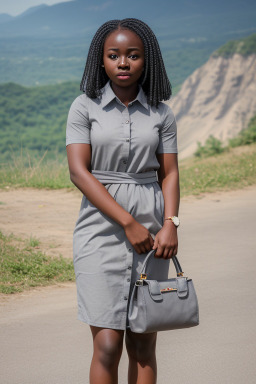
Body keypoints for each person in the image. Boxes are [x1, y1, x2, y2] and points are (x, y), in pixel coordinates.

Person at [66, 18, 180, 384]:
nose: (123, 63)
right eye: (114, 55)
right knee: (107, 346)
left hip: (154, 232)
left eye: (133, 55)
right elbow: (80, 172)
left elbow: (171, 174)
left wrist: (170, 224)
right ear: (101, 61)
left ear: (147, 61)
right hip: (99, 231)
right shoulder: (84, 107)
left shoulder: (162, 113)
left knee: (144, 345)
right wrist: (128, 223)